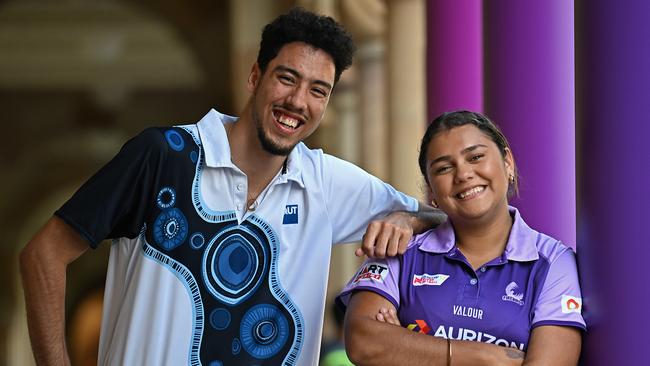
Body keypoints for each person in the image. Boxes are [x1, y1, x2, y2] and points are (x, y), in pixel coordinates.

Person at [18, 8, 445, 366]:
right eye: (287, 78)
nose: (299, 101)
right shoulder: (164, 155)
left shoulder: (326, 182)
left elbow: (448, 224)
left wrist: (404, 218)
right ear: (255, 76)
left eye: (318, 90)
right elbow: (43, 254)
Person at [338, 111, 585, 366]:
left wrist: (408, 348)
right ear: (431, 190)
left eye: (476, 157)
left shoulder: (553, 262)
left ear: (507, 161)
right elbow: (363, 342)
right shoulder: (399, 248)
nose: (463, 175)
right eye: (444, 168)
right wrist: (487, 357)